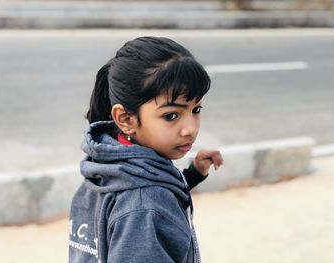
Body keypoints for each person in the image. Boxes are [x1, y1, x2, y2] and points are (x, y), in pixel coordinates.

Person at [69, 36, 223, 263]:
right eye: (171, 115)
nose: (190, 129)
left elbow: (152, 189)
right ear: (125, 118)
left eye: (196, 109)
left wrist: (192, 174)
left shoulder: (108, 165)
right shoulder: (144, 208)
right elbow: (149, 201)